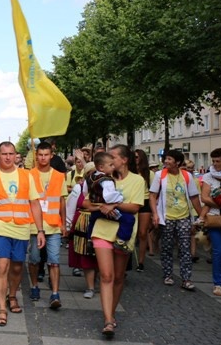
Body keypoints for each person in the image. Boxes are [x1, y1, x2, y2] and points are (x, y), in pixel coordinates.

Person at [0, 142, 45, 326]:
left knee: (16, 267)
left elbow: (35, 204)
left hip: (21, 228)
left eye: (11, 153)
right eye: (3, 154)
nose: (7, 157)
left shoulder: (26, 176)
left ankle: (12, 295)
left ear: (16, 156)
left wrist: (40, 230)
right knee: (1, 266)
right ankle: (1, 308)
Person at [84, 144, 143, 338]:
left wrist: (114, 204)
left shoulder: (137, 180)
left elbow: (134, 207)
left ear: (124, 160)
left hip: (123, 234)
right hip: (102, 231)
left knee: (118, 277)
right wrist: (101, 206)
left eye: (114, 157)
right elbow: (85, 202)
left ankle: (112, 310)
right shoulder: (101, 178)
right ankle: (108, 319)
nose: (110, 159)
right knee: (107, 275)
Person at [149, 149, 202, 290]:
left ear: (177, 162)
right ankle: (167, 274)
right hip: (166, 217)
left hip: (184, 216)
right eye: (165, 159)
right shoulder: (160, 175)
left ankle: (186, 279)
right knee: (166, 247)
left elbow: (194, 197)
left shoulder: (186, 176)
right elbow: (153, 195)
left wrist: (201, 215)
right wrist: (155, 214)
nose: (166, 161)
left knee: (185, 248)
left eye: (169, 159)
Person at [27, 141, 67, 308]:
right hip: (34, 225)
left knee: (54, 260)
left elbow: (62, 201)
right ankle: (35, 285)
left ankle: (55, 293)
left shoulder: (59, 176)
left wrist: (64, 223)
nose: (43, 158)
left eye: (46, 155)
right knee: (35, 259)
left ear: (51, 156)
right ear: (37, 156)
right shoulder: (29, 174)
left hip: (53, 225)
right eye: (40, 155)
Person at [86, 152, 135, 254]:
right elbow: (109, 196)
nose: (113, 167)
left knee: (92, 220)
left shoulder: (91, 177)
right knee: (128, 219)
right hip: (106, 209)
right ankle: (121, 240)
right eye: (111, 165)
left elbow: (84, 191)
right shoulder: (107, 180)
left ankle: (89, 239)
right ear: (101, 167)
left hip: (95, 208)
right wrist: (120, 198)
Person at [199, 147, 221, 296]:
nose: (215, 164)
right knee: (217, 252)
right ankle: (217, 283)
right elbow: (204, 197)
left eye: (218, 161)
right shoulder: (209, 177)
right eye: (213, 161)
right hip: (215, 217)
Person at [67, 161, 98, 298]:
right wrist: (68, 227)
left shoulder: (106, 187)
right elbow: (70, 207)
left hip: (102, 223)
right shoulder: (79, 188)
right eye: (92, 173)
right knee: (87, 255)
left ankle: (98, 281)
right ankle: (90, 286)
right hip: (84, 223)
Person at [134, 149, 155, 272]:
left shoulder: (149, 174)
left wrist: (154, 212)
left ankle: (141, 261)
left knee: (142, 233)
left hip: (145, 202)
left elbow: (153, 193)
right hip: (132, 202)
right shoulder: (130, 171)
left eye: (136, 157)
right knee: (131, 232)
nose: (135, 159)